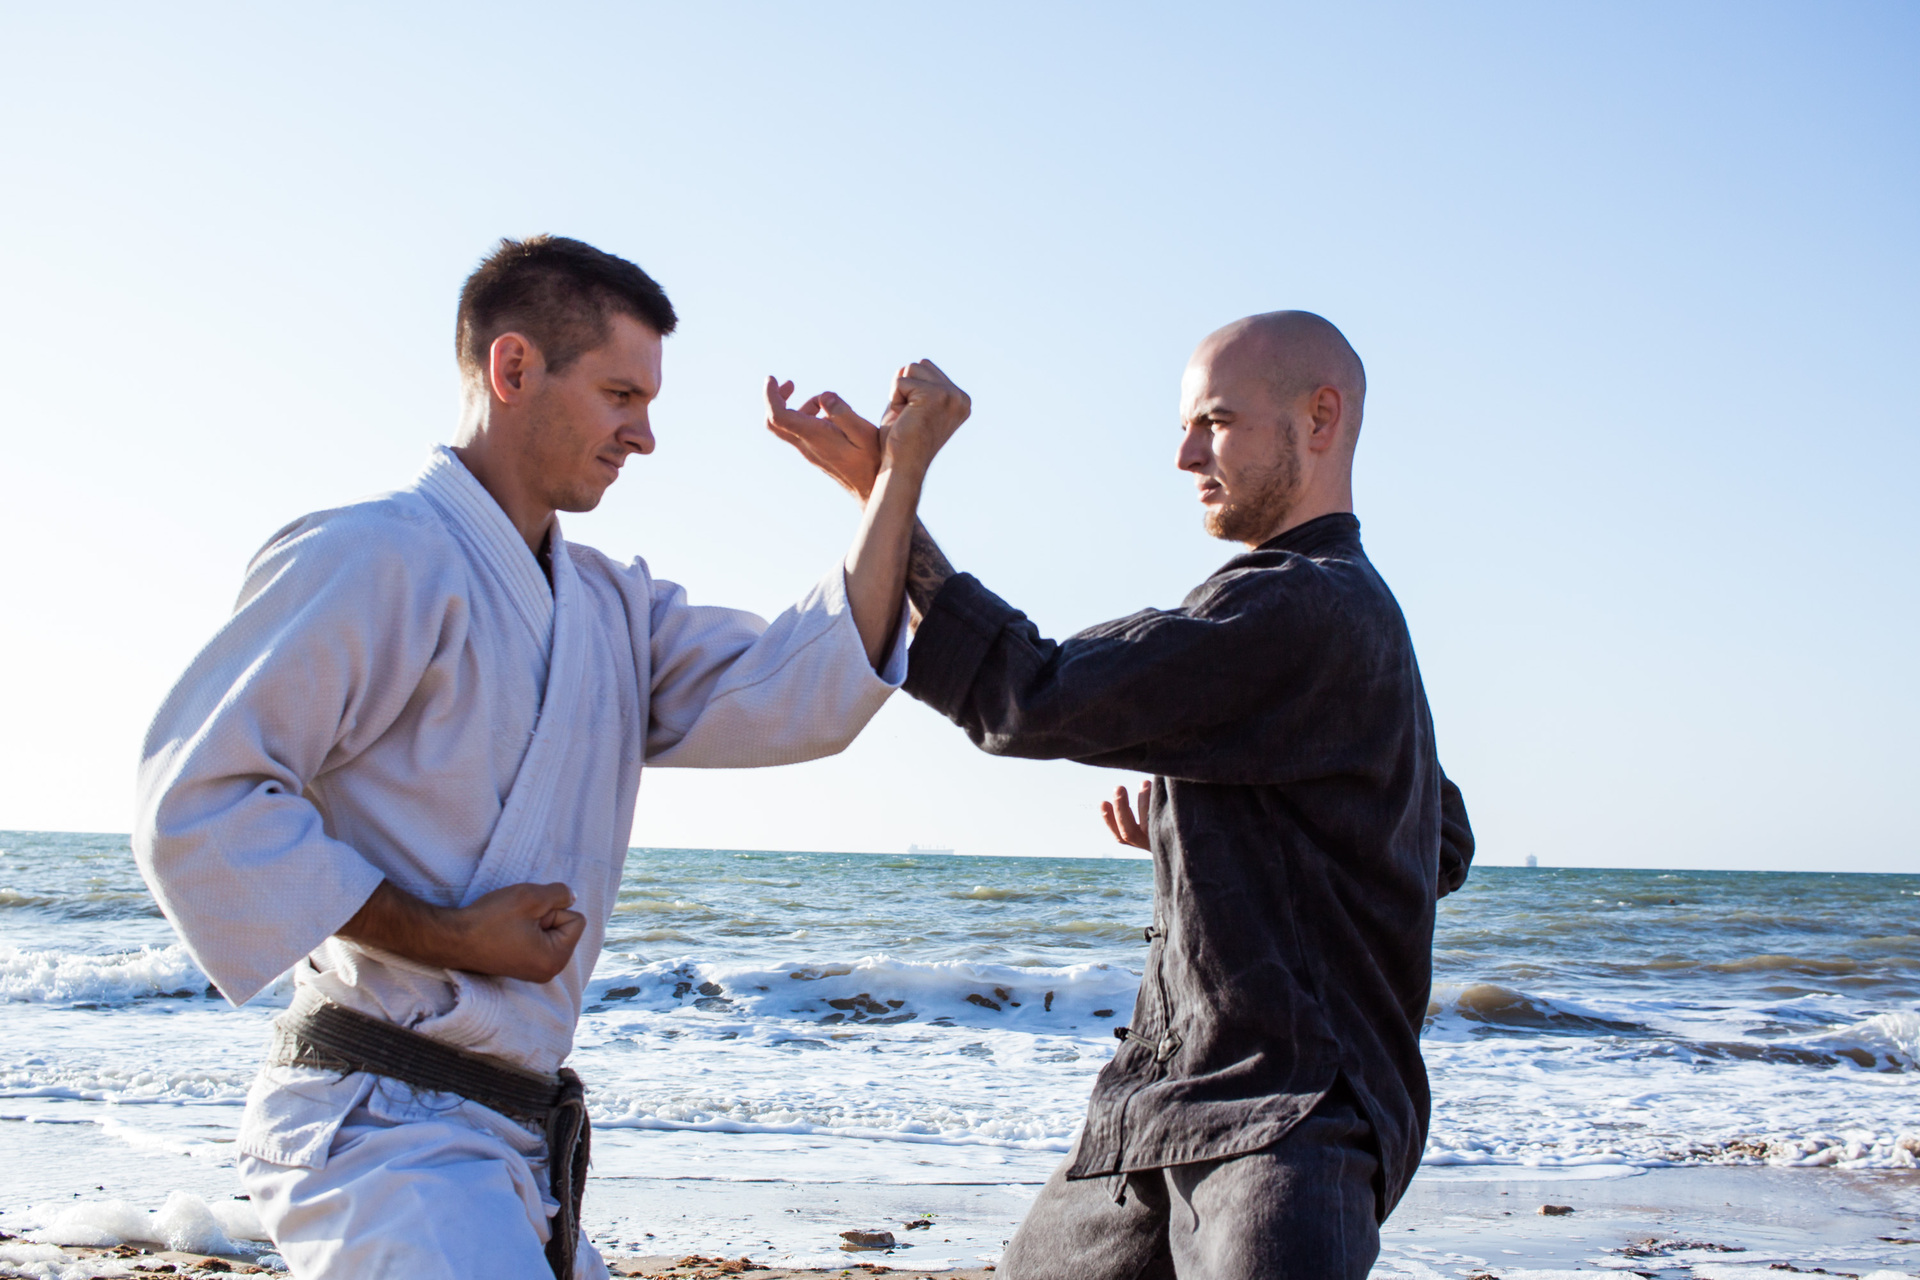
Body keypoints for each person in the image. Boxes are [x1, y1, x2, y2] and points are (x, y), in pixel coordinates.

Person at [133, 234, 971, 1280]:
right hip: (380, 1126)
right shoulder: (371, 555)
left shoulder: (611, 609)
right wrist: (446, 932)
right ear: (515, 367)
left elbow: (798, 692)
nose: (647, 435)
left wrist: (892, 486)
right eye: (622, 393)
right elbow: (200, 805)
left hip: (509, 1144)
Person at [766, 311, 1475, 1280]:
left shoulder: (1301, 604)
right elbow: (1435, 841)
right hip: (1156, 1101)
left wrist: (895, 486)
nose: (1185, 455)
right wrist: (1223, 837)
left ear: (1320, 417)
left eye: (1216, 422)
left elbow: (1031, 693)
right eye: (1187, 425)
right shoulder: (1347, 616)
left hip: (1286, 1120)